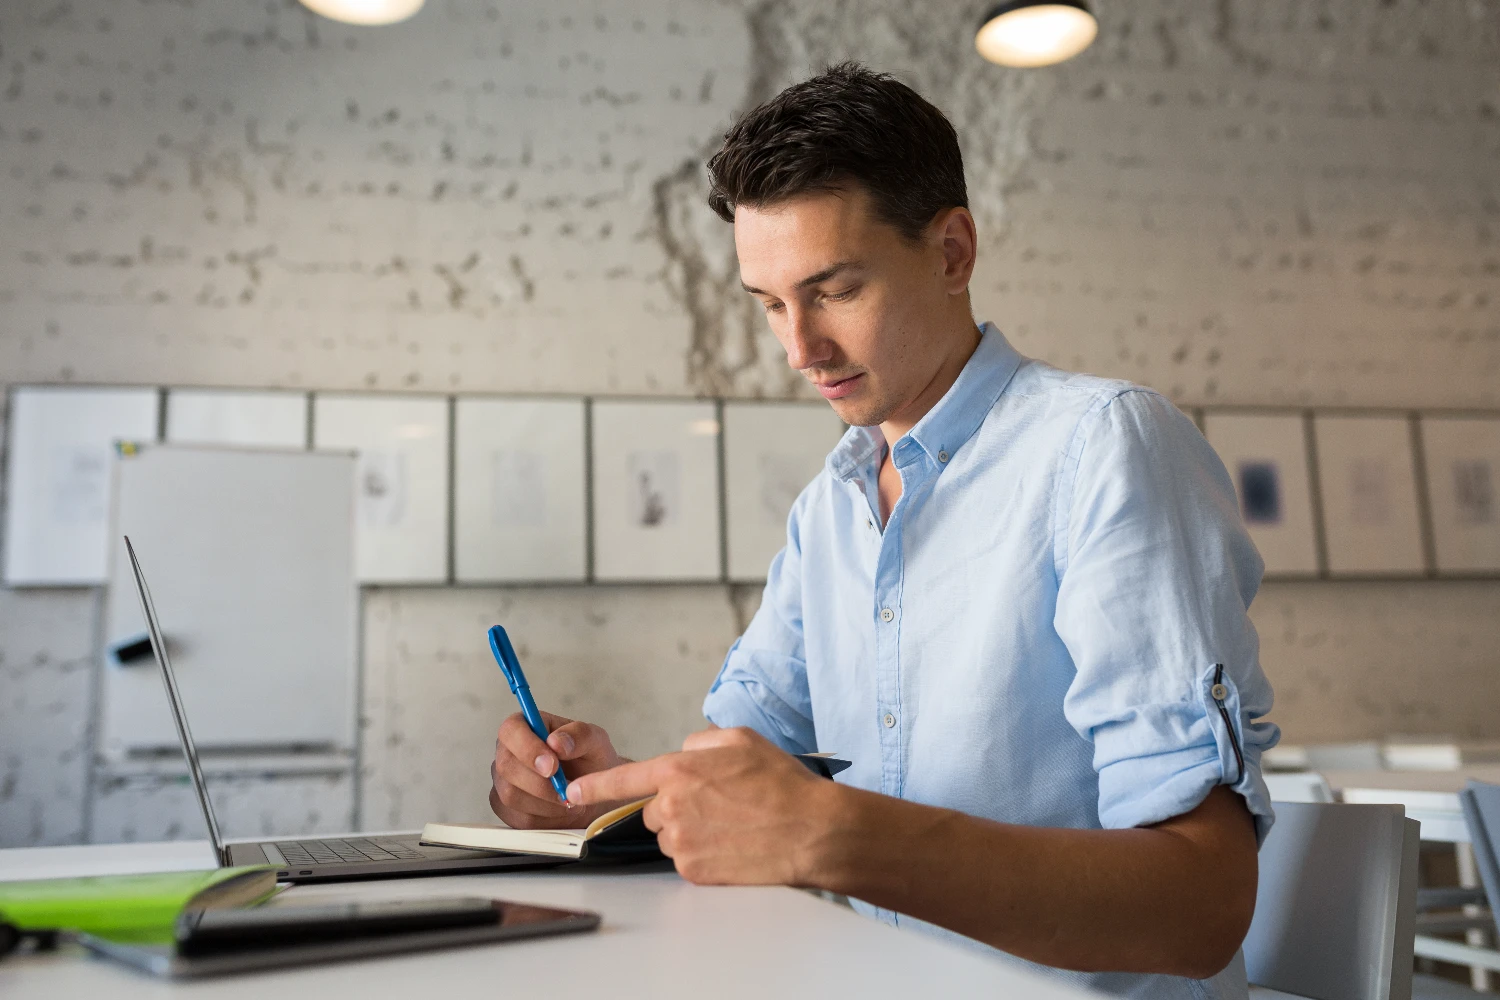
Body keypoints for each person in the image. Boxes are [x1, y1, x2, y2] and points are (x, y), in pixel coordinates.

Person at [488, 62, 1277, 999]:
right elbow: (751, 784)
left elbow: (1201, 907)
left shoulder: (1103, 449)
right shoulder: (829, 509)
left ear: (952, 253)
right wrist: (599, 796)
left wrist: (838, 835)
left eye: (834, 290)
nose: (799, 349)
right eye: (771, 304)